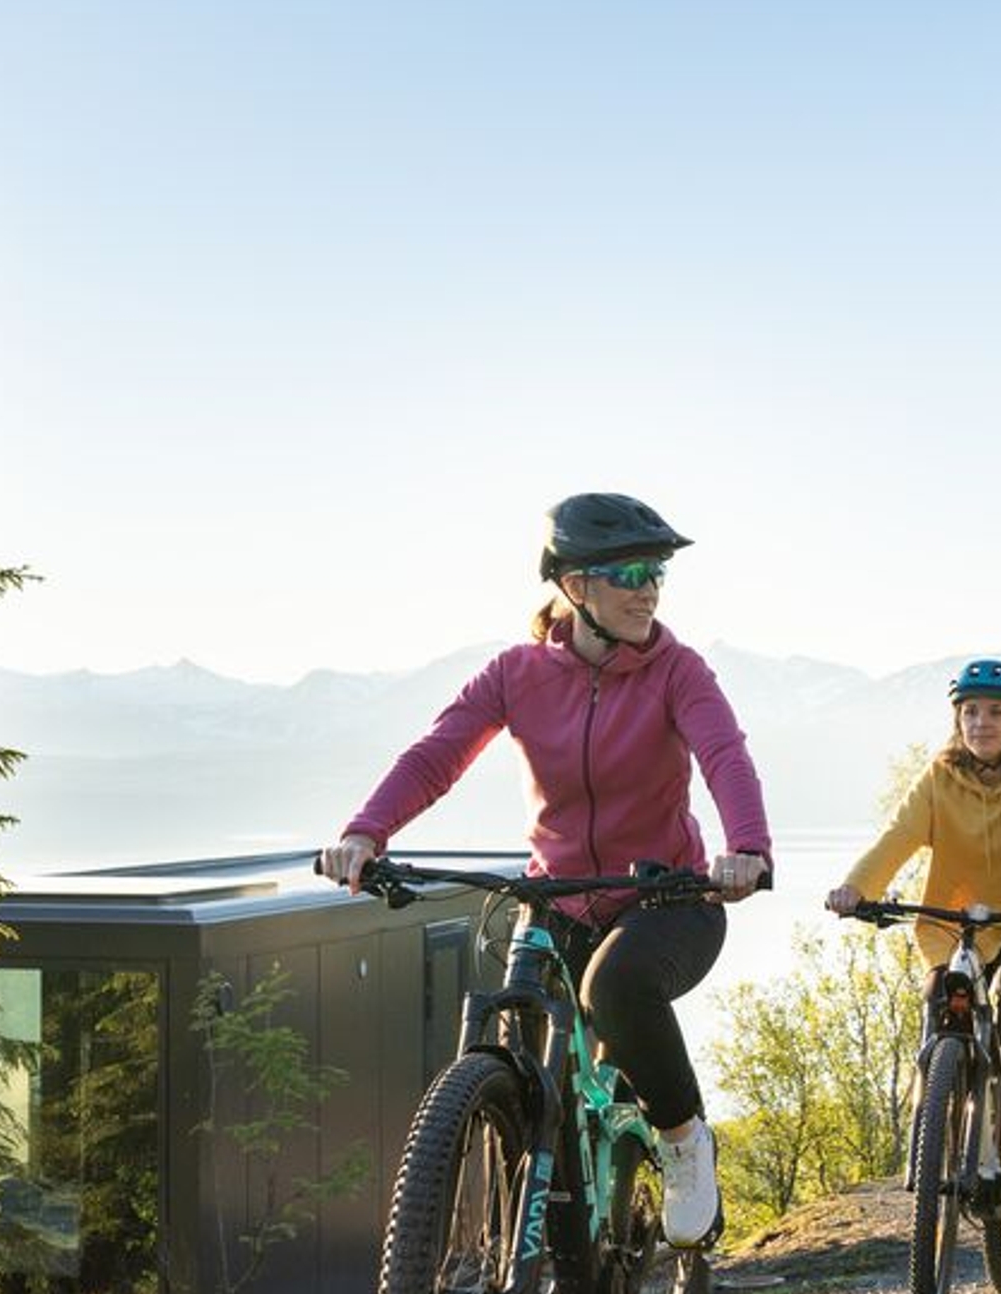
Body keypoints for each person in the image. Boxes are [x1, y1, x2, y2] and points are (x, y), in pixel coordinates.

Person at [319, 492, 772, 1245]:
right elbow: (438, 754)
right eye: (628, 571)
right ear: (573, 585)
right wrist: (366, 833)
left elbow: (726, 755)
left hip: (668, 899)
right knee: (524, 1043)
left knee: (616, 989)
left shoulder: (679, 672)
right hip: (558, 896)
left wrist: (747, 849)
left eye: (656, 571)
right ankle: (519, 1256)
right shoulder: (516, 673)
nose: (648, 588)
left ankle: (685, 1140)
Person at [822, 658, 1001, 1178]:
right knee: (941, 994)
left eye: (995, 712)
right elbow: (898, 836)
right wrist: (857, 888)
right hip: (953, 924)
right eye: (971, 712)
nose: (982, 722)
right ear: (957, 719)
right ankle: (941, 1114)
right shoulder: (939, 777)